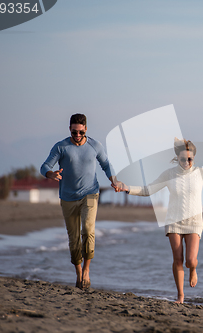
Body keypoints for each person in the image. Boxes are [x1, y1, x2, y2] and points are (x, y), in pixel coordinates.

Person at [112, 138, 203, 303]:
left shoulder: (200, 173)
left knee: (190, 261)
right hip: (174, 221)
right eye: (183, 159)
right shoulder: (169, 174)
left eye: (189, 159)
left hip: (194, 222)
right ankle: (180, 296)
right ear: (177, 158)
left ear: (194, 158)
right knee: (178, 259)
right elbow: (148, 190)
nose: (186, 162)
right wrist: (127, 188)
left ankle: (193, 270)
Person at [40, 113, 117, 290]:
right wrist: (50, 174)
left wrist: (113, 180)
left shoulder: (94, 145)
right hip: (67, 197)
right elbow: (44, 166)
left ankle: (87, 270)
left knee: (88, 230)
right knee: (74, 239)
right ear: (70, 130)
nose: (77, 136)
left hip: (90, 194)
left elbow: (106, 165)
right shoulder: (61, 147)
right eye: (74, 132)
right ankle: (78, 272)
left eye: (80, 132)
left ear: (86, 130)